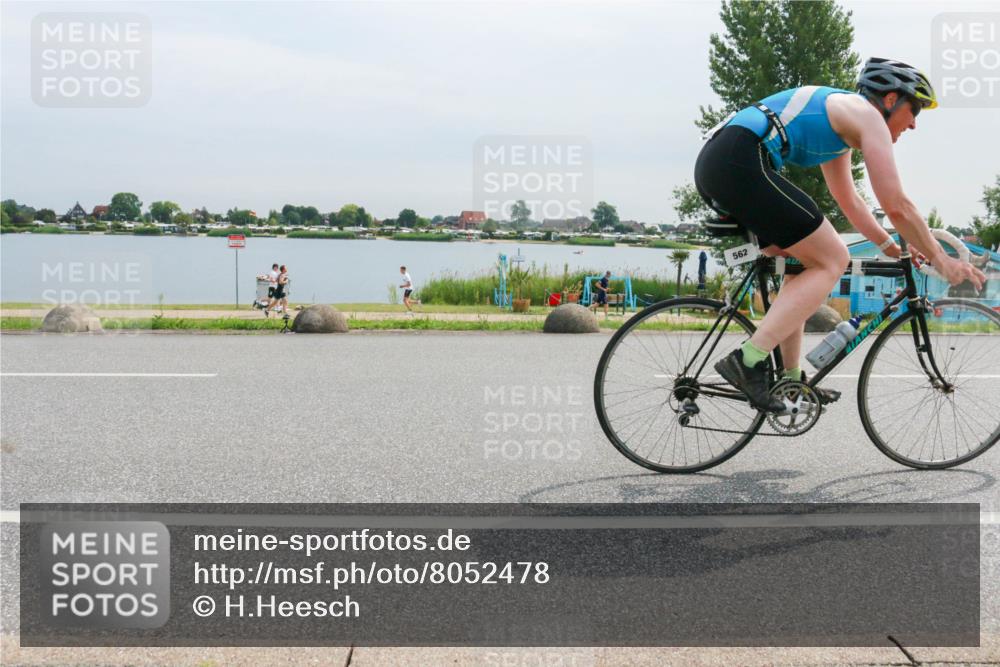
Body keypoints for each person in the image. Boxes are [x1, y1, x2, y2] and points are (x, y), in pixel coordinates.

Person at [695, 58, 985, 412]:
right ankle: (748, 360)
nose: (913, 125)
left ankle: (790, 380)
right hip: (738, 160)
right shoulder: (867, 116)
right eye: (914, 111)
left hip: (723, 162)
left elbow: (849, 200)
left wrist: (888, 245)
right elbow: (896, 204)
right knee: (834, 258)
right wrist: (942, 259)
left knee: (803, 265)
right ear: (891, 99)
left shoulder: (842, 128)